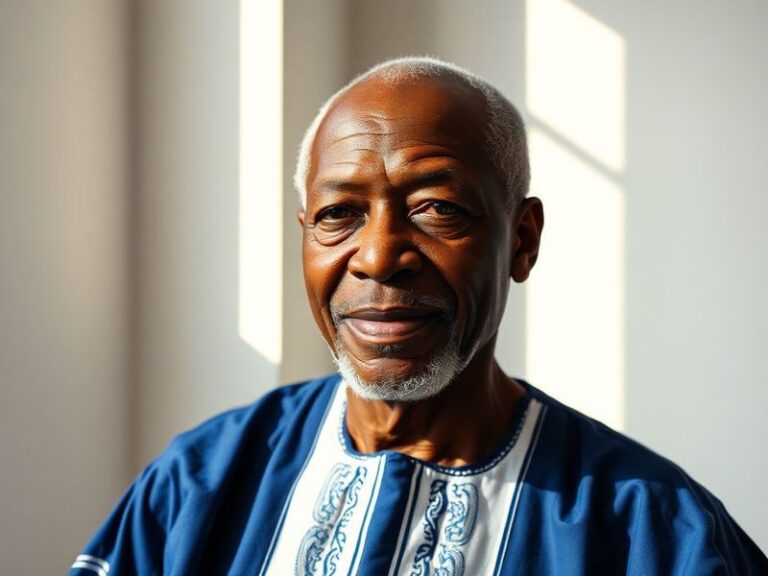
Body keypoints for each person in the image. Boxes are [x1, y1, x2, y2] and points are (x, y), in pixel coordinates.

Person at [70, 56, 767, 576]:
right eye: (338, 215)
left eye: (436, 209)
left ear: (521, 240)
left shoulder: (658, 532)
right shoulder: (203, 483)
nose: (378, 256)